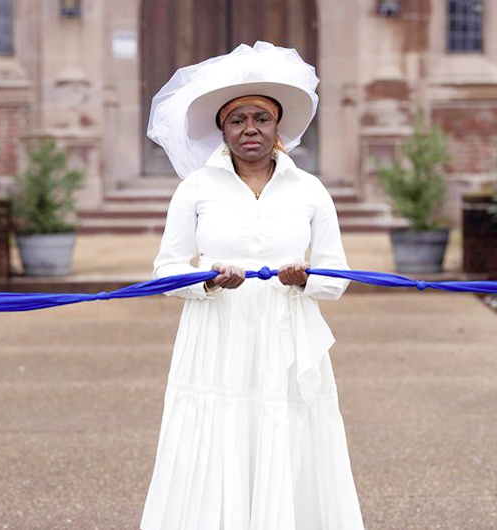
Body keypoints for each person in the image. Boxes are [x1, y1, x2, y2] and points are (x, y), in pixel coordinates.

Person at [140, 41, 365, 530]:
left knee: (288, 431)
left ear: (277, 127)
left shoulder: (310, 190)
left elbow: (336, 276)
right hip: (216, 340)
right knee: (219, 435)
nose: (250, 129)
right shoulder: (196, 189)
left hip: (287, 338)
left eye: (260, 118)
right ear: (222, 129)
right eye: (237, 119)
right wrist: (207, 282)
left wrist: (306, 279)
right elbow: (166, 272)